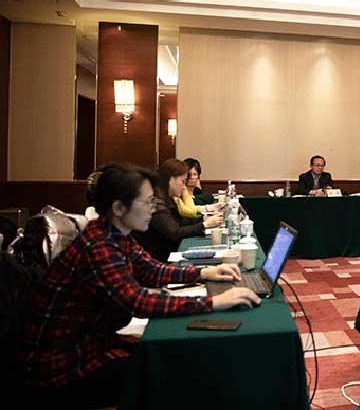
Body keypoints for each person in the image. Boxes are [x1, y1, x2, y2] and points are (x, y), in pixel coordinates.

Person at [18, 162, 260, 408]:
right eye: (147, 202)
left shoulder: (115, 234)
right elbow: (139, 302)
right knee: (176, 370)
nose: (153, 209)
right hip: (62, 368)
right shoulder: (98, 246)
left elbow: (152, 270)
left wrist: (204, 272)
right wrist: (215, 302)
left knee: (169, 357)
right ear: (118, 208)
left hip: (91, 345)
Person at [134, 159, 223, 262]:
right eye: (183, 181)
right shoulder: (157, 203)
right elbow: (175, 233)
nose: (184, 187)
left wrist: (204, 218)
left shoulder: (169, 199)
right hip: (160, 258)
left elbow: (180, 222)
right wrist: (204, 225)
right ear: (171, 179)